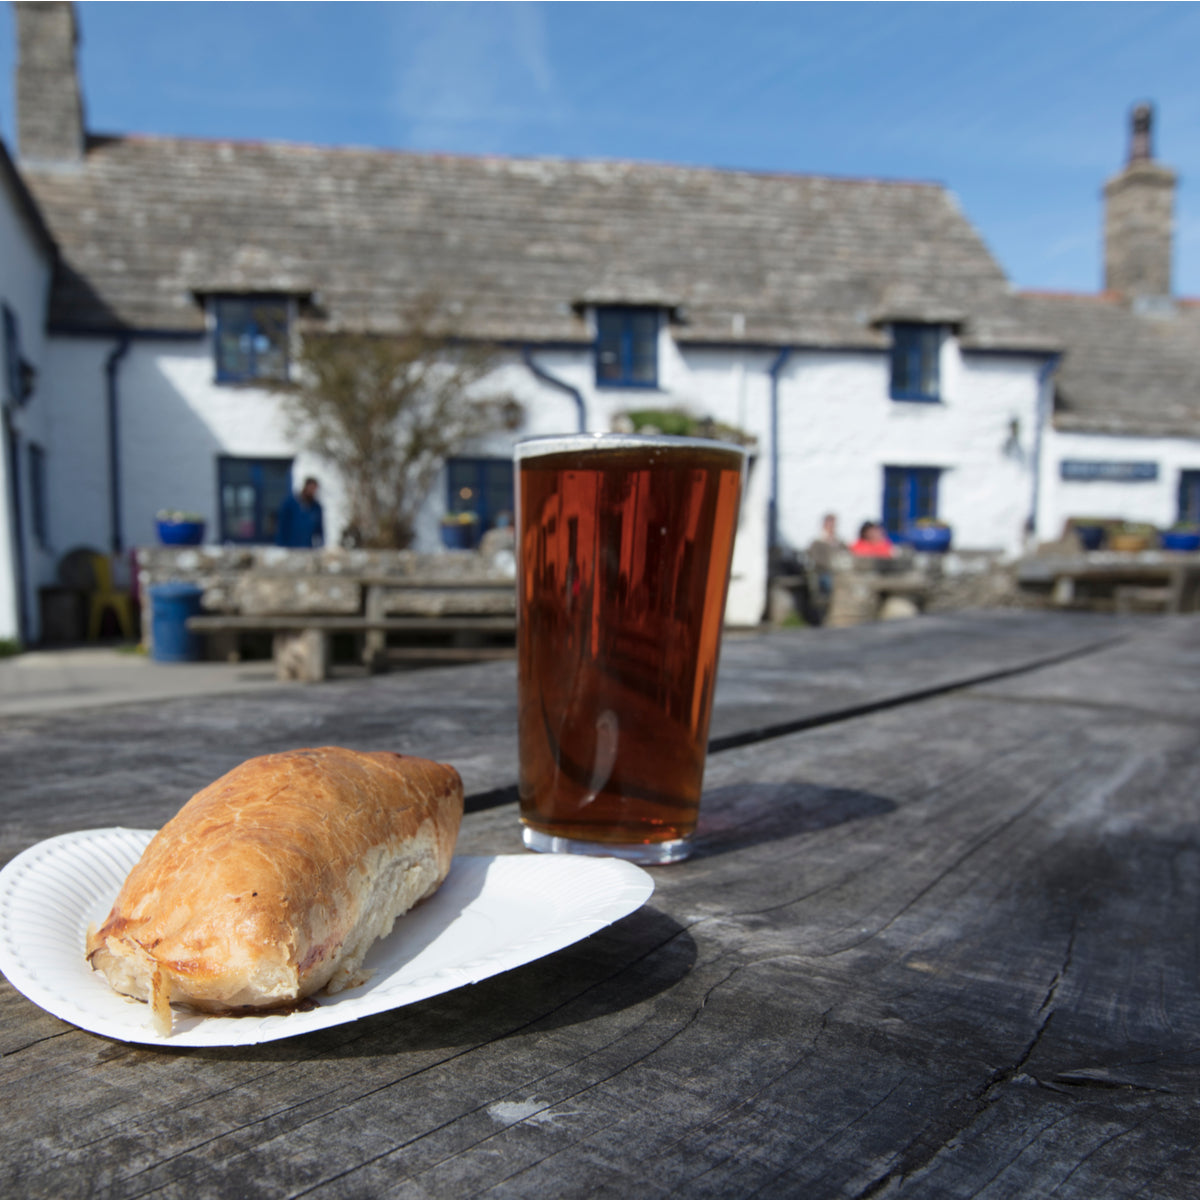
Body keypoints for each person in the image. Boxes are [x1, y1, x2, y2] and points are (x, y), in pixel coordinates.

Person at [275, 476, 325, 548]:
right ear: (306, 487)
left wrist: (319, 545)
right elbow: (282, 526)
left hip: (307, 548)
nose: (313, 491)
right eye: (311, 488)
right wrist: (282, 545)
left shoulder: (316, 508)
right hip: (291, 547)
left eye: (314, 489)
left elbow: (319, 531)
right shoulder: (290, 504)